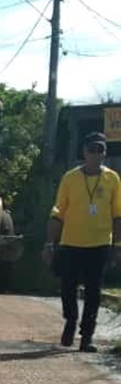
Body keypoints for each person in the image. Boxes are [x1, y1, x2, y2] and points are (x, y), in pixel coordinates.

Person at [42, 131, 121, 352]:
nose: (96, 154)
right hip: (71, 243)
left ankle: (87, 337)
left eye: (101, 150)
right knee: (68, 287)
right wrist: (49, 244)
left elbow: (118, 215)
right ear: (84, 152)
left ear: (105, 153)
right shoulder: (71, 178)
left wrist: (117, 246)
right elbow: (58, 212)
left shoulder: (112, 179)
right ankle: (70, 320)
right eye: (92, 150)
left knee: (93, 292)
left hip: (99, 244)